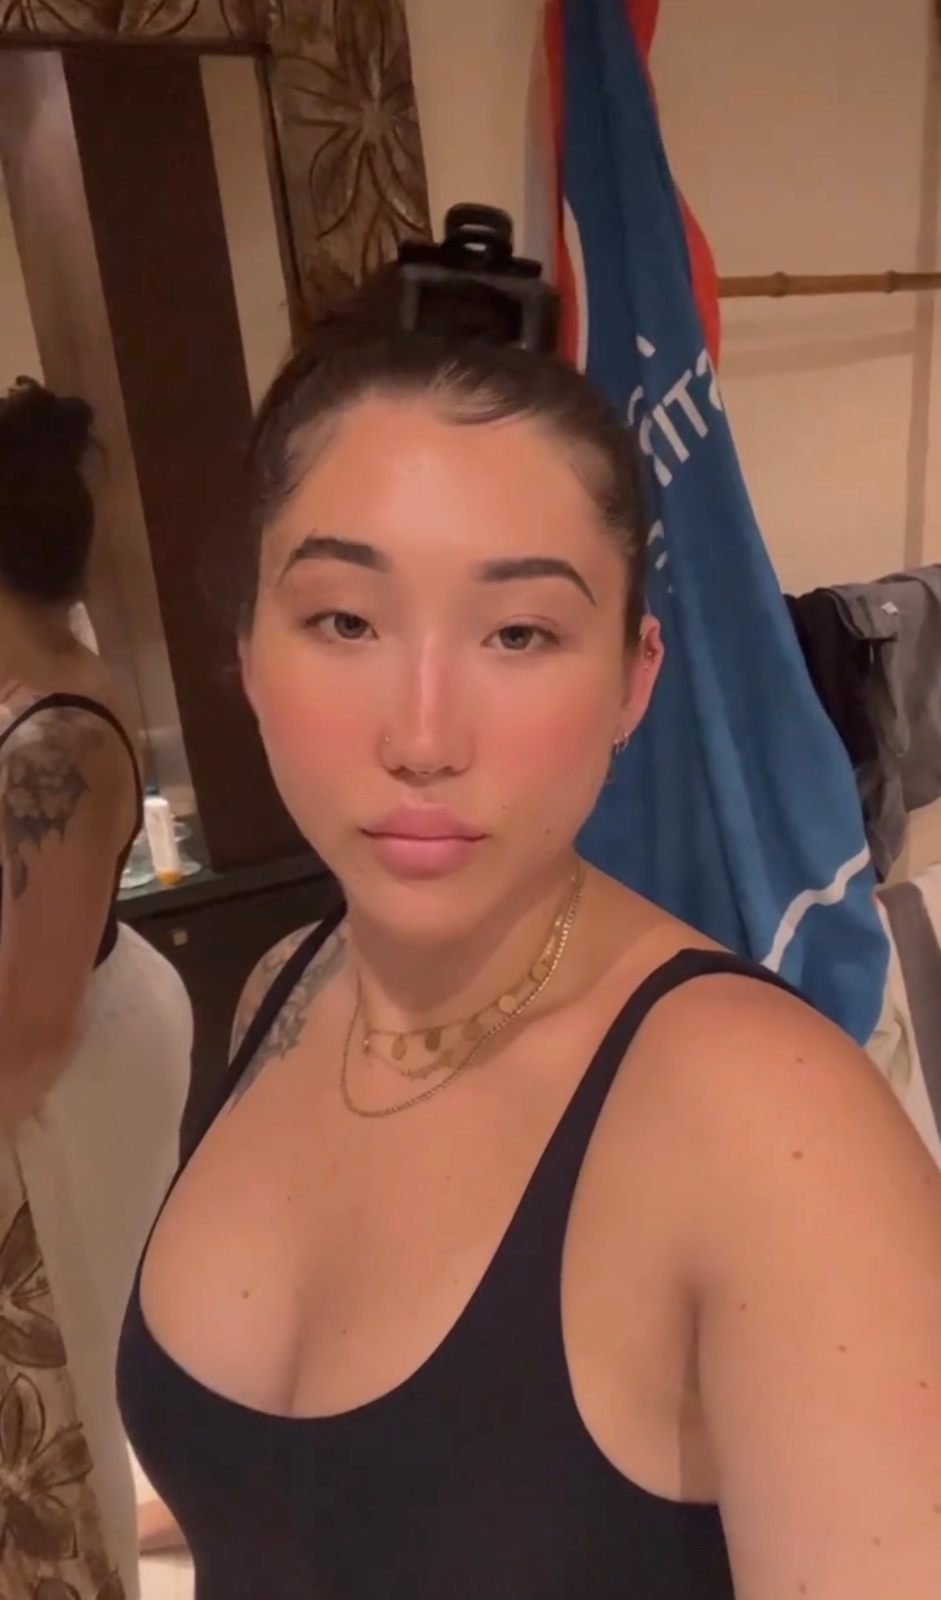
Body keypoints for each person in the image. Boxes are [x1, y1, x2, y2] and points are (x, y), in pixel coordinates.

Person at [118, 295, 941, 1600]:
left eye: (518, 633)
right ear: (249, 657)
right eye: (345, 621)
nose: (422, 736)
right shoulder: (287, 986)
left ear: (632, 680)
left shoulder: (771, 1130)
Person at [0, 378, 192, 1600]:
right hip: (66, 1036)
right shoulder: (36, 697)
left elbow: (30, 1023)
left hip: (62, 1069)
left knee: (55, 1369)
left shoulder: (58, 739)